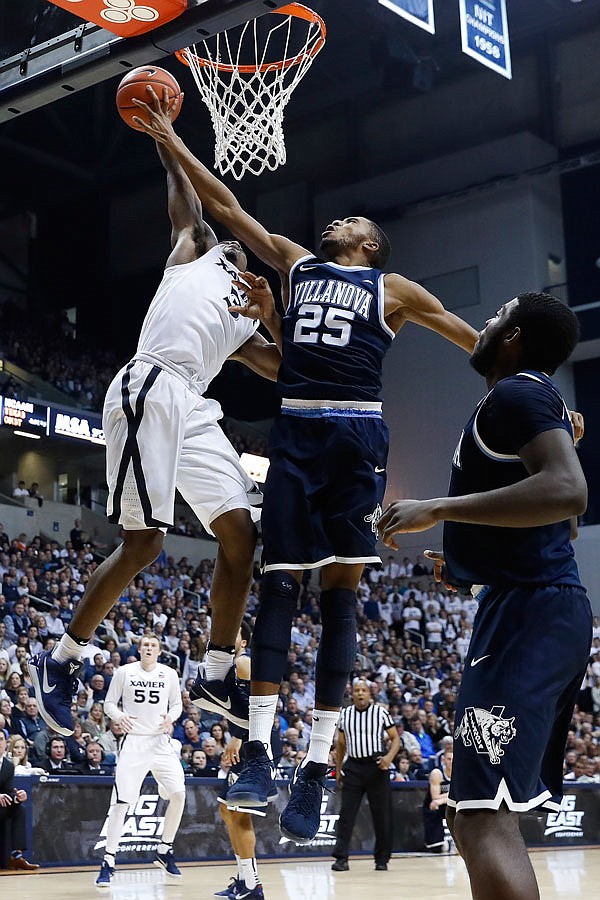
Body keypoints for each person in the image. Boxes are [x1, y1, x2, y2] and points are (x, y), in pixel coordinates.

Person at [131, 88, 479, 844]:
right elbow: (224, 208)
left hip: (354, 440)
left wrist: (540, 388)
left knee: (343, 599)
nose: (336, 221)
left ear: (371, 244)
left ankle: (318, 762)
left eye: (350, 222)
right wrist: (171, 139)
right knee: (280, 586)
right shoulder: (294, 262)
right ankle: (259, 750)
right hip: (295, 435)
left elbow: (474, 341)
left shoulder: (392, 290)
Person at [28, 94, 280, 742]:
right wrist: (163, 134)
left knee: (242, 538)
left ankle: (216, 670)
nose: (240, 253)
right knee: (146, 543)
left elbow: (284, 369)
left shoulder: (246, 311)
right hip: (151, 382)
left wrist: (274, 315)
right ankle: (61, 661)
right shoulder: (196, 251)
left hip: (193, 404)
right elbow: (188, 199)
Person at [379, 292, 592, 900]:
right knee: (479, 811)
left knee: (477, 815)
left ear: (515, 335)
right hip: (530, 605)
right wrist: (472, 563)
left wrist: (437, 508)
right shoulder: (521, 400)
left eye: (497, 316)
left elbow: (568, 494)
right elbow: (562, 525)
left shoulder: (518, 393)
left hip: (532, 613)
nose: (485, 324)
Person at [94, 634, 185, 886]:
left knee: (179, 794)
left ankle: (164, 850)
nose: (148, 648)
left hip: (160, 742)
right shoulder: (124, 671)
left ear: (159, 651)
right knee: (121, 802)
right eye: (145, 644)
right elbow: (109, 703)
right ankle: (109, 860)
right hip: (133, 742)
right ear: (139, 648)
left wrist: (171, 719)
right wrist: (118, 716)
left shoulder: (168, 674)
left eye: (153, 645)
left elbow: (177, 705)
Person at [215, 620, 265, 900]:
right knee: (227, 811)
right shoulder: (232, 665)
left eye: (232, 631)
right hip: (242, 741)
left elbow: (252, 710)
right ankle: (246, 881)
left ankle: (253, 885)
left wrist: (235, 739)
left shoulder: (244, 662)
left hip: (254, 743)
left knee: (240, 813)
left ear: (243, 641)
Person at [331, 680, 400, 873]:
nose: (360, 693)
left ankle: (382, 860)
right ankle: (341, 858)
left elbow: (396, 739)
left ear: (370, 694)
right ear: (352, 694)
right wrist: (338, 770)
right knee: (346, 815)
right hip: (353, 766)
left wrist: (388, 758)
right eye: (357, 690)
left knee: (382, 816)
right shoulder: (345, 714)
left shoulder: (381, 713)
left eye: (364, 690)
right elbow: (341, 745)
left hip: (376, 766)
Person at [0, 730, 39, 871]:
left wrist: (17, 798)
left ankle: (16, 856)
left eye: (0, 739)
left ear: (5, 743)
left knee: (19, 809)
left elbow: (8, 791)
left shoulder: (7, 765)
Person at [423, 745, 453, 852]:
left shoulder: (459, 773)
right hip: (434, 808)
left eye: (454, 759)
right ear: (444, 760)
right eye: (449, 759)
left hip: (446, 803)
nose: (451, 762)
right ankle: (437, 841)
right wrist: (450, 796)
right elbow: (435, 797)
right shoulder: (437, 773)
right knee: (436, 848)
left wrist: (443, 799)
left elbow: (462, 795)